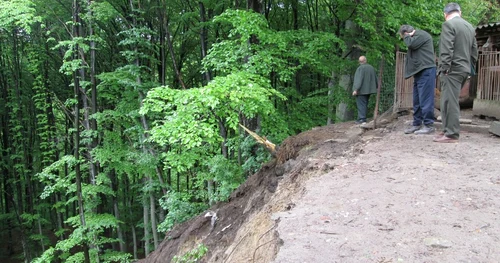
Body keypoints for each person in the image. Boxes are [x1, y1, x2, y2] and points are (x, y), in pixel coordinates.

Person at [434, 3, 478, 143]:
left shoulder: (449, 25)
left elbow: (447, 48)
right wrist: (470, 68)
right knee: (446, 100)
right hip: (464, 69)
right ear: (460, 12)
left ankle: (452, 134)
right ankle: (446, 129)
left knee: (450, 101)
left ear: (445, 14)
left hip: (452, 69)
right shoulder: (469, 27)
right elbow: (474, 51)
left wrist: (445, 68)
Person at [399, 25, 437, 135]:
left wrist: (406, 36)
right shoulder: (416, 37)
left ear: (406, 33)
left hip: (426, 70)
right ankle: (417, 123)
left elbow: (411, 44)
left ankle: (429, 125)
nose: (404, 39)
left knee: (425, 99)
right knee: (417, 100)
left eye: (403, 36)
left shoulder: (421, 35)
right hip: (419, 72)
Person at [352, 56, 377, 124]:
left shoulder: (360, 68)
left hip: (361, 90)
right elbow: (375, 77)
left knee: (361, 104)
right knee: (365, 103)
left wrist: (356, 89)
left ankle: (362, 119)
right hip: (369, 90)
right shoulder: (371, 67)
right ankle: (362, 118)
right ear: (365, 60)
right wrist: (376, 86)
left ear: (359, 62)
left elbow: (359, 80)